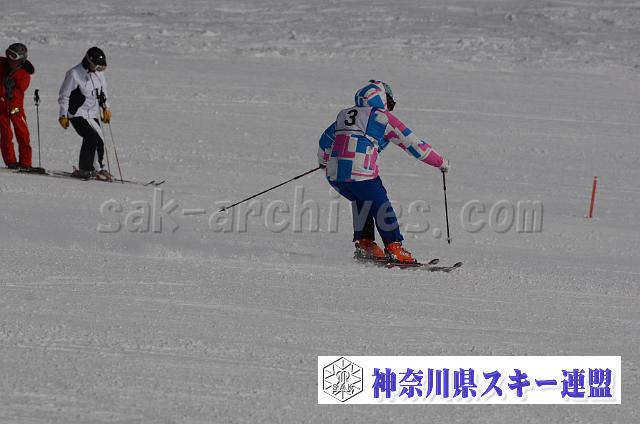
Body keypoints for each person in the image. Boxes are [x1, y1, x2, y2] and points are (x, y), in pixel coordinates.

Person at [318, 80, 450, 264]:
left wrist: (324, 162)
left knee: (361, 199)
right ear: (381, 98)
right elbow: (413, 144)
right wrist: (440, 162)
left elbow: (325, 141)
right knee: (381, 204)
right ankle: (394, 248)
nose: (389, 108)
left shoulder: (344, 114)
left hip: (335, 176)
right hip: (360, 172)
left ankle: (365, 244)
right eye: (389, 102)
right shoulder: (382, 117)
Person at [58, 46, 112, 180]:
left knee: (99, 140)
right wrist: (63, 115)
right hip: (77, 113)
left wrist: (106, 108)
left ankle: (99, 168)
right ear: (89, 61)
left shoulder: (99, 74)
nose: (98, 70)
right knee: (90, 137)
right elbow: (64, 96)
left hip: (92, 114)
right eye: (96, 66)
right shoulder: (74, 74)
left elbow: (103, 92)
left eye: (101, 68)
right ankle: (85, 169)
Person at [0, 43, 35, 170]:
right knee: (6, 135)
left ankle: (25, 162)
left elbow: (18, 93)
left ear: (21, 59)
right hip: (1, 107)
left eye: (13, 56)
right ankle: (11, 162)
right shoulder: (2, 64)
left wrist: (10, 90)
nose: (9, 58)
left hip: (15, 108)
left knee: (22, 134)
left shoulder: (24, 74)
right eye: (8, 53)